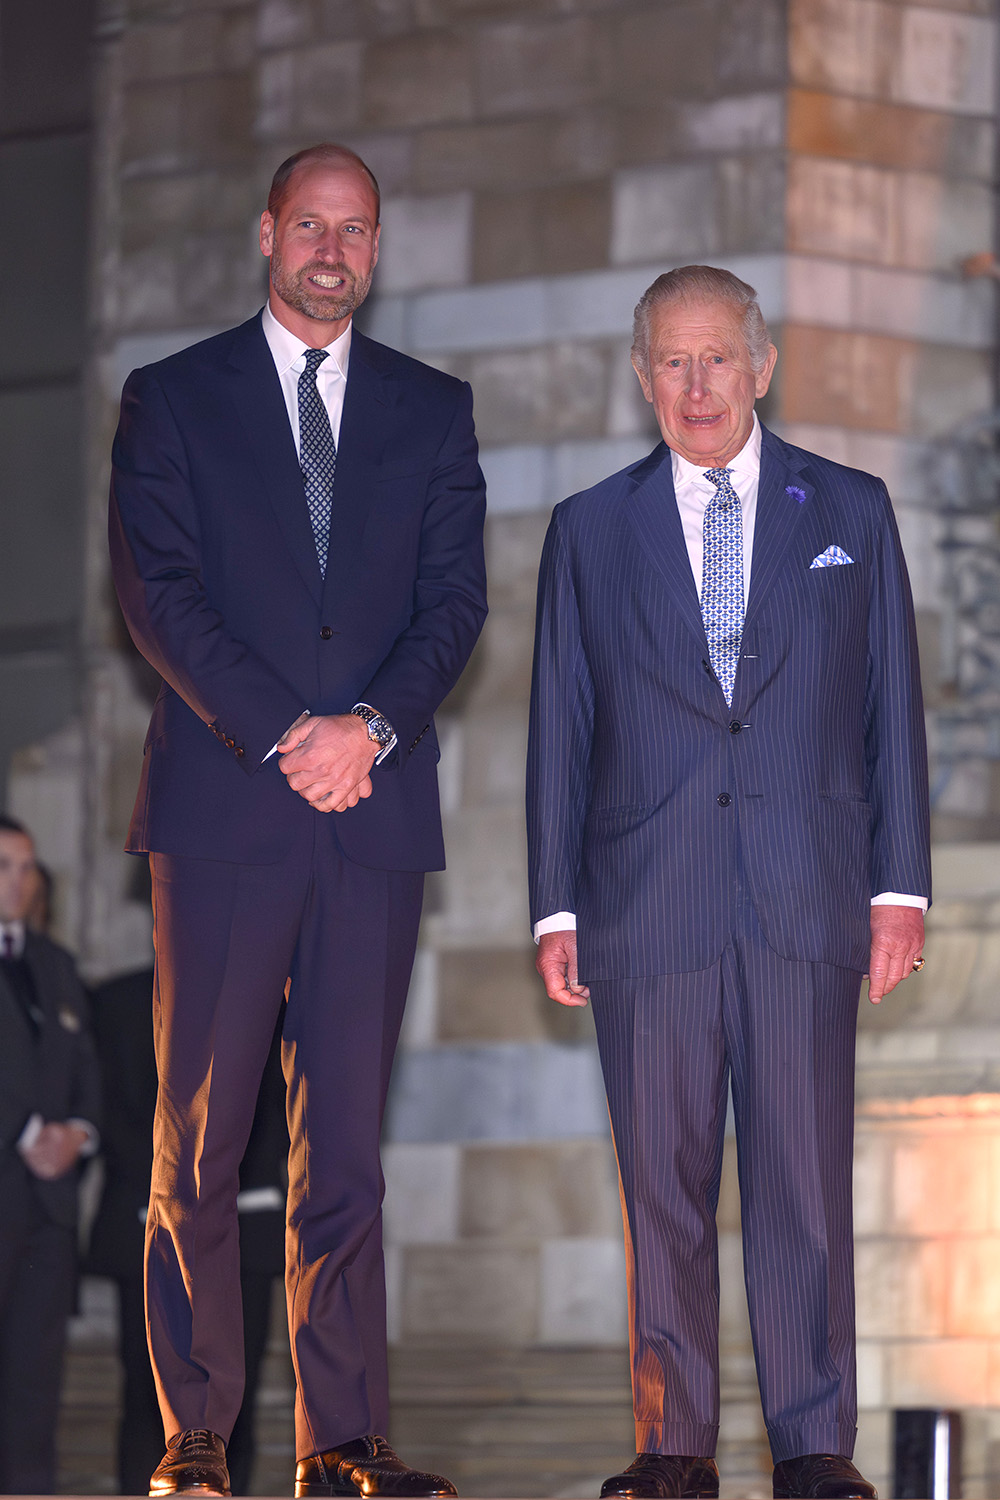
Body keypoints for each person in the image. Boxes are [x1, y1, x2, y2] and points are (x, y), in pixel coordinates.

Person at [108, 142, 487, 1499]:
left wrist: (367, 730)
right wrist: (287, 732)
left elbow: (455, 604)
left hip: (370, 818)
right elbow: (158, 595)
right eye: (311, 224)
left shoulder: (434, 413)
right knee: (199, 1143)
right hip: (226, 811)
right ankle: (194, 1434)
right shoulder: (173, 399)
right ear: (267, 234)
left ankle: (343, 1442)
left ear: (376, 251)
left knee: (347, 1150)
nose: (335, 249)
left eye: (359, 230)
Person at [526, 266, 929, 1500]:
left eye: (717, 360)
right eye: (670, 363)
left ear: (761, 365)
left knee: (803, 1183)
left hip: (806, 895)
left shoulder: (849, 512)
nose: (695, 387)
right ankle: (672, 1448)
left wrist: (898, 884)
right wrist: (555, 903)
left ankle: (813, 1450)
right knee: (664, 1192)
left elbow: (889, 710)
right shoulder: (589, 529)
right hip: (648, 903)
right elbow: (561, 722)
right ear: (641, 376)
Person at [87, 970, 290, 1495]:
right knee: (146, 1393)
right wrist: (177, 1186)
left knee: (233, 1399)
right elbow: (108, 1108)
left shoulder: (267, 997)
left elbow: (278, 1106)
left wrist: (217, 1182)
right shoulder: (115, 1000)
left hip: (244, 1222)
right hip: (146, 1215)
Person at [0, 813, 101, 1493]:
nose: (18, 881)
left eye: (26, 866)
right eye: (4, 865)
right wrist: (25, 1132)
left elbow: (88, 1077)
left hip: (46, 1218)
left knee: (34, 1393)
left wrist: (79, 1133)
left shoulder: (55, 965)